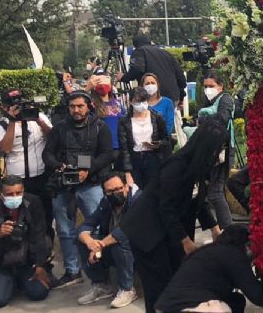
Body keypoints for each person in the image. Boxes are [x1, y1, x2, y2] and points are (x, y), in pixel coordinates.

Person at [119, 120, 225, 313]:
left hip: (169, 231)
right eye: (219, 147)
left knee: (176, 283)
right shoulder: (176, 166)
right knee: (159, 289)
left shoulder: (199, 168)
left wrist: (216, 230)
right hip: (148, 232)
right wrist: (185, 241)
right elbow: (166, 208)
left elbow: (198, 203)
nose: (220, 152)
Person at [41, 90, 114, 288]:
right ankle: (72, 271)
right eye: (72, 107)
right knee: (64, 230)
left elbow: (107, 154)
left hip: (91, 184)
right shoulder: (60, 129)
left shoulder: (100, 127)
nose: (76, 110)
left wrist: (87, 170)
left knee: (97, 227)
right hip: (63, 185)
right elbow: (47, 154)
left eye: (80, 106)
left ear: (88, 106)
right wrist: (59, 166)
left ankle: (101, 269)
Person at [155, 224, 263, 312]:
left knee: (236, 300)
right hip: (188, 307)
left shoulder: (213, 250)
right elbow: (257, 296)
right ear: (243, 244)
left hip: (166, 303)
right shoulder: (233, 255)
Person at [0, 175, 50, 308]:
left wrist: (40, 265)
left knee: (39, 293)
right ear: (0, 194)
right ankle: (1, 281)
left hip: (26, 259)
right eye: (10, 194)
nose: (15, 196)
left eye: (18, 193)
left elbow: (39, 234)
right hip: (2, 261)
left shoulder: (33, 202)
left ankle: (22, 279)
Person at [0, 90, 54, 240]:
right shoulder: (2, 125)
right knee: (22, 216)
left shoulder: (39, 117)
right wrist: (12, 121)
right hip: (18, 181)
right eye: (12, 105)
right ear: (4, 107)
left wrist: (37, 118)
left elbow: (52, 137)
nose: (17, 108)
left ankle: (45, 248)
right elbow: (5, 148)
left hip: (41, 177)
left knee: (45, 214)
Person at [74, 172, 140, 308]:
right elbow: (88, 223)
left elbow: (124, 231)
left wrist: (100, 245)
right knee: (83, 241)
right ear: (104, 192)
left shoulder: (138, 200)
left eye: (119, 189)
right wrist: (89, 241)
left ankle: (128, 290)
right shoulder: (106, 202)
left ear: (126, 186)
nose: (115, 193)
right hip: (114, 249)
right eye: (110, 191)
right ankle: (101, 285)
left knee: (120, 242)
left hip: (140, 251)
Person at [198, 71, 235, 229]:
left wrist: (203, 118)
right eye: (205, 86)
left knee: (215, 193)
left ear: (220, 86)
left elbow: (222, 119)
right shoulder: (210, 102)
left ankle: (228, 232)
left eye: (211, 86)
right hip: (211, 149)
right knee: (211, 193)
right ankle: (220, 231)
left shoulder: (225, 99)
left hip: (222, 150)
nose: (208, 89)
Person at [117, 88, 171, 189]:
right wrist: (127, 173)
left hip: (153, 158)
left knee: (153, 191)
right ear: (131, 102)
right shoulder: (124, 121)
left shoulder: (157, 117)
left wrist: (156, 144)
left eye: (144, 101)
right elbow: (124, 149)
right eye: (138, 101)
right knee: (137, 193)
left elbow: (166, 139)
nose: (142, 104)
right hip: (134, 160)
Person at [119, 34, 188, 106]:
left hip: (153, 97)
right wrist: (181, 96)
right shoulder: (166, 53)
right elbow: (180, 78)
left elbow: (137, 70)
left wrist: (124, 77)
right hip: (172, 97)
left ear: (135, 45)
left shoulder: (139, 52)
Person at [87, 75, 125, 157]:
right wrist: (87, 89)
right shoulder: (91, 104)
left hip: (118, 146)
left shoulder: (117, 103)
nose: (103, 86)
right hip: (101, 148)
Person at [142, 73, 176, 139]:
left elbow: (169, 125)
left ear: (157, 85)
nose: (150, 85)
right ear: (142, 86)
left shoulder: (167, 102)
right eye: (147, 83)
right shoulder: (140, 104)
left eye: (153, 83)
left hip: (162, 142)